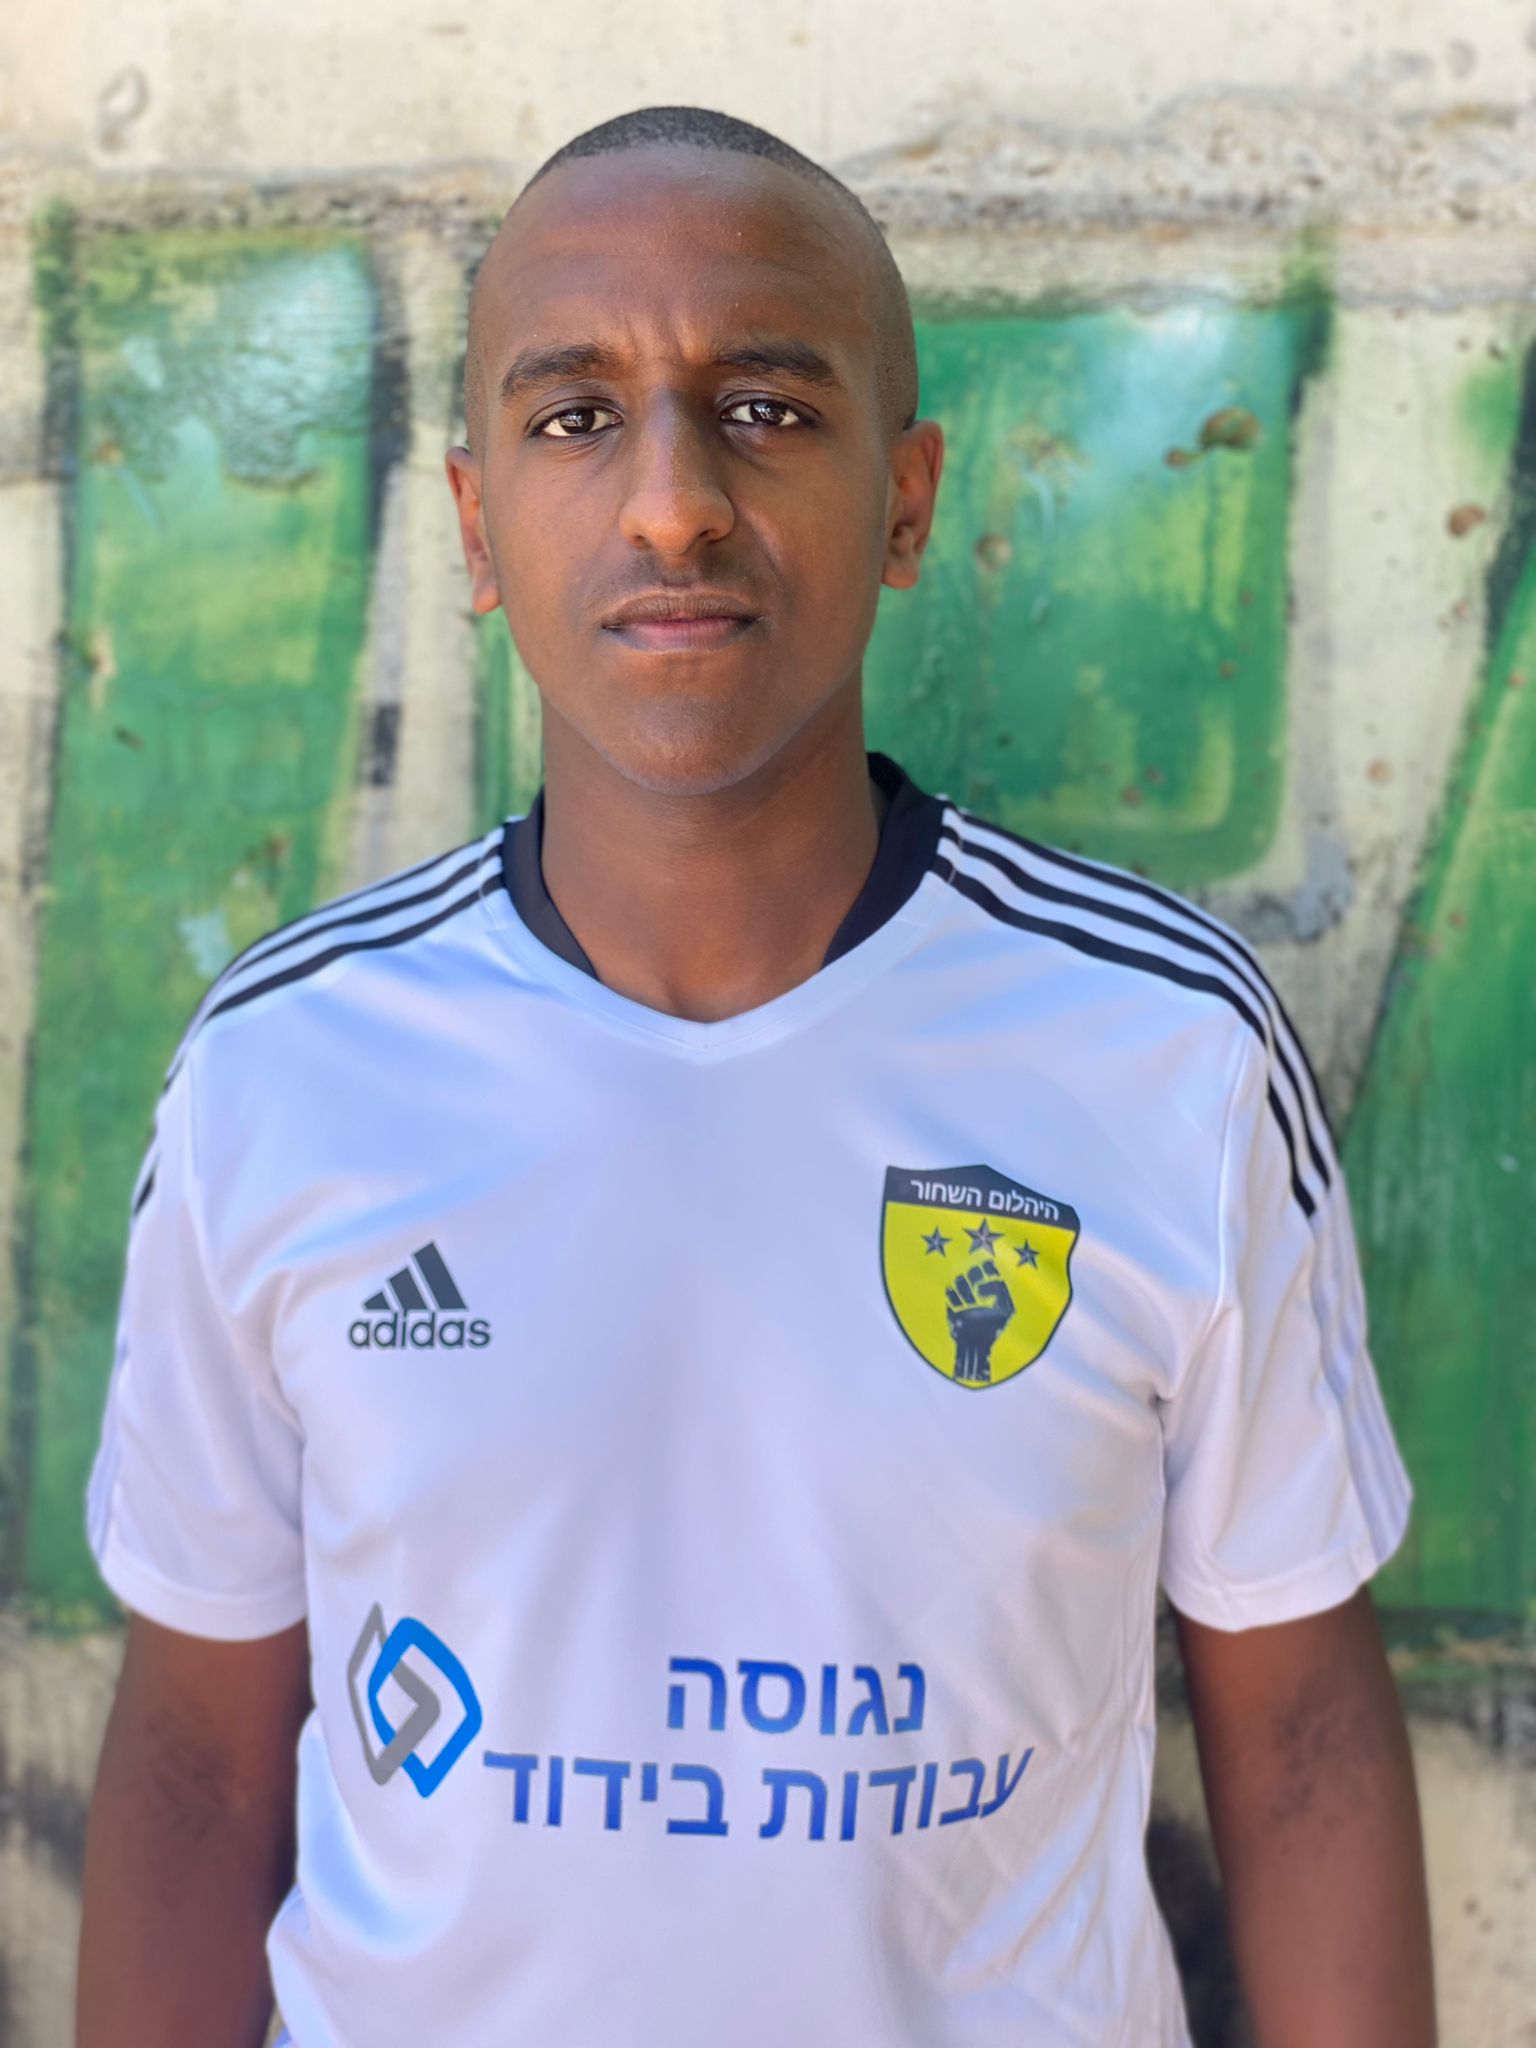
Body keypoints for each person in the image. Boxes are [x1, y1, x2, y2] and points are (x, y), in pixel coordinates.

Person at [76, 103, 1436, 2048]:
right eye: (575, 417)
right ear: (474, 523)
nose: (671, 504)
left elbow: (1297, 1744)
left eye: (768, 410)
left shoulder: (1166, 1053)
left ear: (907, 501)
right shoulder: (285, 1075)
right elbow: (201, 1767)